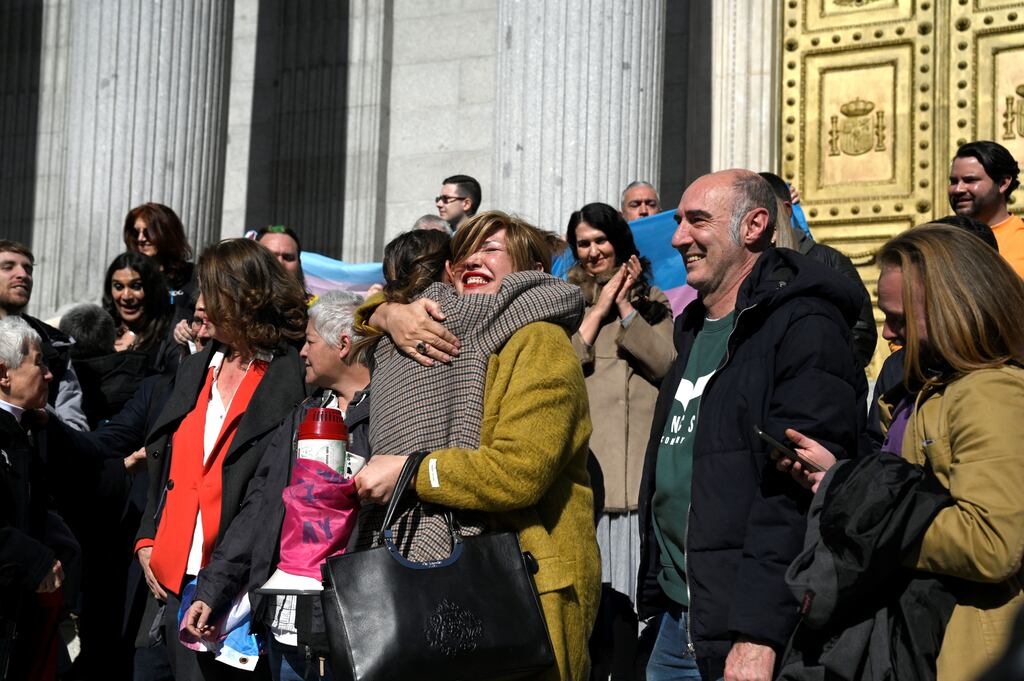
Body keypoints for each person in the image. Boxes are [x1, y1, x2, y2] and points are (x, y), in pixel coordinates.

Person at [635, 170, 867, 681]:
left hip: (749, 631)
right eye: (677, 222)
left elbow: (794, 496)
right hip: (677, 621)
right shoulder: (693, 329)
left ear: (755, 225)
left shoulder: (805, 325)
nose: (678, 238)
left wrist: (758, 634)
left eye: (697, 221)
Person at [354, 211, 601, 681]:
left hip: (521, 591)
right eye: (465, 249)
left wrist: (413, 472)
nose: (473, 258)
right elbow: (348, 320)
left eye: (491, 249)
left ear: (529, 269)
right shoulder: (430, 333)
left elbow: (519, 471)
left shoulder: (540, 340)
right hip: (434, 590)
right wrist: (385, 312)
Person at [780, 224, 1024, 681]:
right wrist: (837, 479)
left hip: (967, 652)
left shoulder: (991, 393)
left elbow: (991, 543)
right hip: (915, 642)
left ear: (956, 309)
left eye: (901, 320)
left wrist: (861, 513)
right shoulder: (926, 390)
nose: (889, 333)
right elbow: (908, 494)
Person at [133, 238, 308, 680]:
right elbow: (168, 468)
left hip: (239, 590)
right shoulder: (196, 368)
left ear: (244, 296)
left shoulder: (292, 374)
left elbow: (270, 493)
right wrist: (146, 539)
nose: (199, 303)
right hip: (170, 580)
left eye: (210, 291)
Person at [183, 290, 369, 681]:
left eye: (311, 341)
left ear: (345, 345)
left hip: (358, 628)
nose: (302, 351)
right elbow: (259, 510)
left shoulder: (387, 417)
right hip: (288, 629)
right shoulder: (303, 416)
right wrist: (212, 591)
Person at [564, 202, 674, 675]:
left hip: (638, 486)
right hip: (592, 481)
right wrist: (600, 307)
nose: (592, 252)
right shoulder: (565, 303)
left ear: (620, 242)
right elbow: (560, 366)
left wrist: (626, 307)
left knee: (635, 611)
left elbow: (668, 365)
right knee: (596, 610)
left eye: (600, 241)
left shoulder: (655, 302)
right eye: (583, 244)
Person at [0, 316, 69, 681]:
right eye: (39, 362)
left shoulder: (30, 427)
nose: (48, 374)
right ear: (3, 374)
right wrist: (36, 559)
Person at [761, 171, 877, 367]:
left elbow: (861, 331)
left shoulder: (829, 261)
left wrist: (825, 368)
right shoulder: (744, 267)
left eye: (762, 212)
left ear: (787, 210)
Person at [0, 240, 88, 431]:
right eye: (8, 267)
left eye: (28, 269)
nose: (23, 275)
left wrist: (39, 414)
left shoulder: (53, 343)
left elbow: (75, 427)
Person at [948, 140, 1024, 277]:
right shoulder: (939, 240)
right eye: (954, 182)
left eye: (970, 180)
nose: (958, 189)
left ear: (1003, 183)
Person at [103, 251, 178, 372]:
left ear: (153, 289)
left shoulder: (170, 337)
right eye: (118, 287)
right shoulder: (101, 333)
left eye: (136, 286)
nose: (126, 296)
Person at [122, 202, 197, 313]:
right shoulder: (127, 273)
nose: (141, 238)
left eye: (148, 232)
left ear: (166, 233)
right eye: (135, 232)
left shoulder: (192, 275)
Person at [255, 225, 306, 289]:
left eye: (288, 258)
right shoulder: (239, 298)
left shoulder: (317, 299)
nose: (280, 263)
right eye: (271, 257)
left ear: (299, 263)